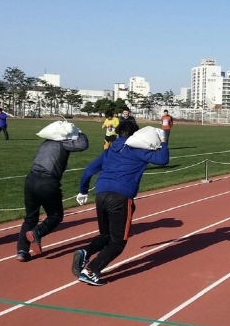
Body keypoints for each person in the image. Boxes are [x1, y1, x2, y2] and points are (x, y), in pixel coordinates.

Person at [72, 121, 170, 286]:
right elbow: (163, 159)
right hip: (120, 197)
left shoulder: (110, 150)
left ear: (117, 133)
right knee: (118, 243)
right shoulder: (137, 150)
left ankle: (85, 251)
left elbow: (89, 170)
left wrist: (83, 191)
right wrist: (163, 141)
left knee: (105, 236)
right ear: (136, 135)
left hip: (101, 194)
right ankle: (90, 271)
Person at [17, 124, 89, 261]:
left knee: (30, 217)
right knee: (55, 215)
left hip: (30, 180)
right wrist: (79, 131)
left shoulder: (44, 144)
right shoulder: (63, 143)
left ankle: (22, 251)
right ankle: (37, 232)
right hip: (48, 182)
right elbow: (83, 145)